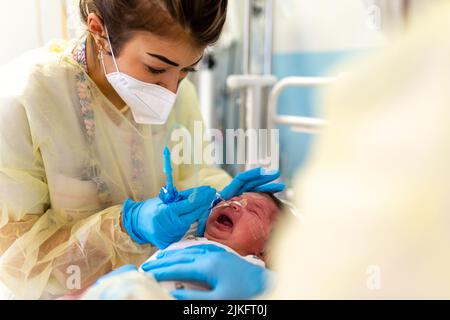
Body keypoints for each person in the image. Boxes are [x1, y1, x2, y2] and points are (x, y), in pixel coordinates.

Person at [0, 0, 284, 299]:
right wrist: (127, 225)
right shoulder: (23, 102)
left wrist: (224, 195)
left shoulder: (176, 93)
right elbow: (17, 263)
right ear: (99, 30)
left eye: (187, 70)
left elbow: (193, 174)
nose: (171, 89)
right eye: (156, 68)